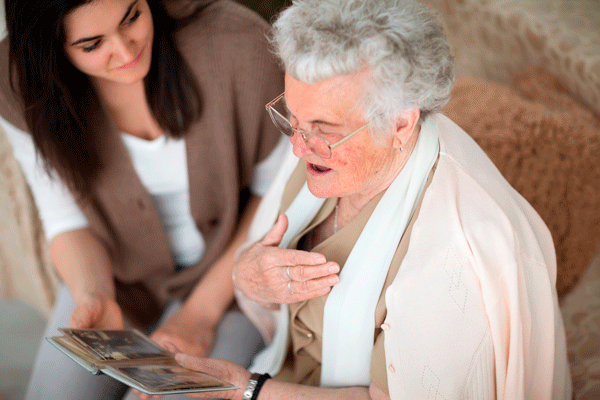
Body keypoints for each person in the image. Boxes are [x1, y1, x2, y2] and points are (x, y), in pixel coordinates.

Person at [169, 0, 573, 399]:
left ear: (401, 121)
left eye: (322, 129)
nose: (297, 148)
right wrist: (249, 275)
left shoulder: (455, 253)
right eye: (292, 117)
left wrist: (248, 391)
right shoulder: (321, 151)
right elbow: (259, 287)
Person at [0, 0, 287, 398]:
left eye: (132, 16)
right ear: (50, 52)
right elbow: (65, 220)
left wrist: (201, 312)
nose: (126, 50)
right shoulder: (17, 85)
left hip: (233, 278)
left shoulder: (240, 46)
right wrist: (94, 295)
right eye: (92, 44)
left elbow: (276, 197)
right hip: (113, 275)